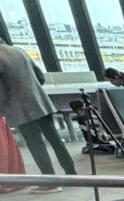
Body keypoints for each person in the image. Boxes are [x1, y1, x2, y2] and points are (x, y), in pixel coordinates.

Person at [0, 41, 77, 193]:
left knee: (36, 145)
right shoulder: (19, 51)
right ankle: (72, 174)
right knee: (55, 140)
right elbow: (40, 76)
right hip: (41, 101)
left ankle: (50, 181)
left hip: (21, 108)